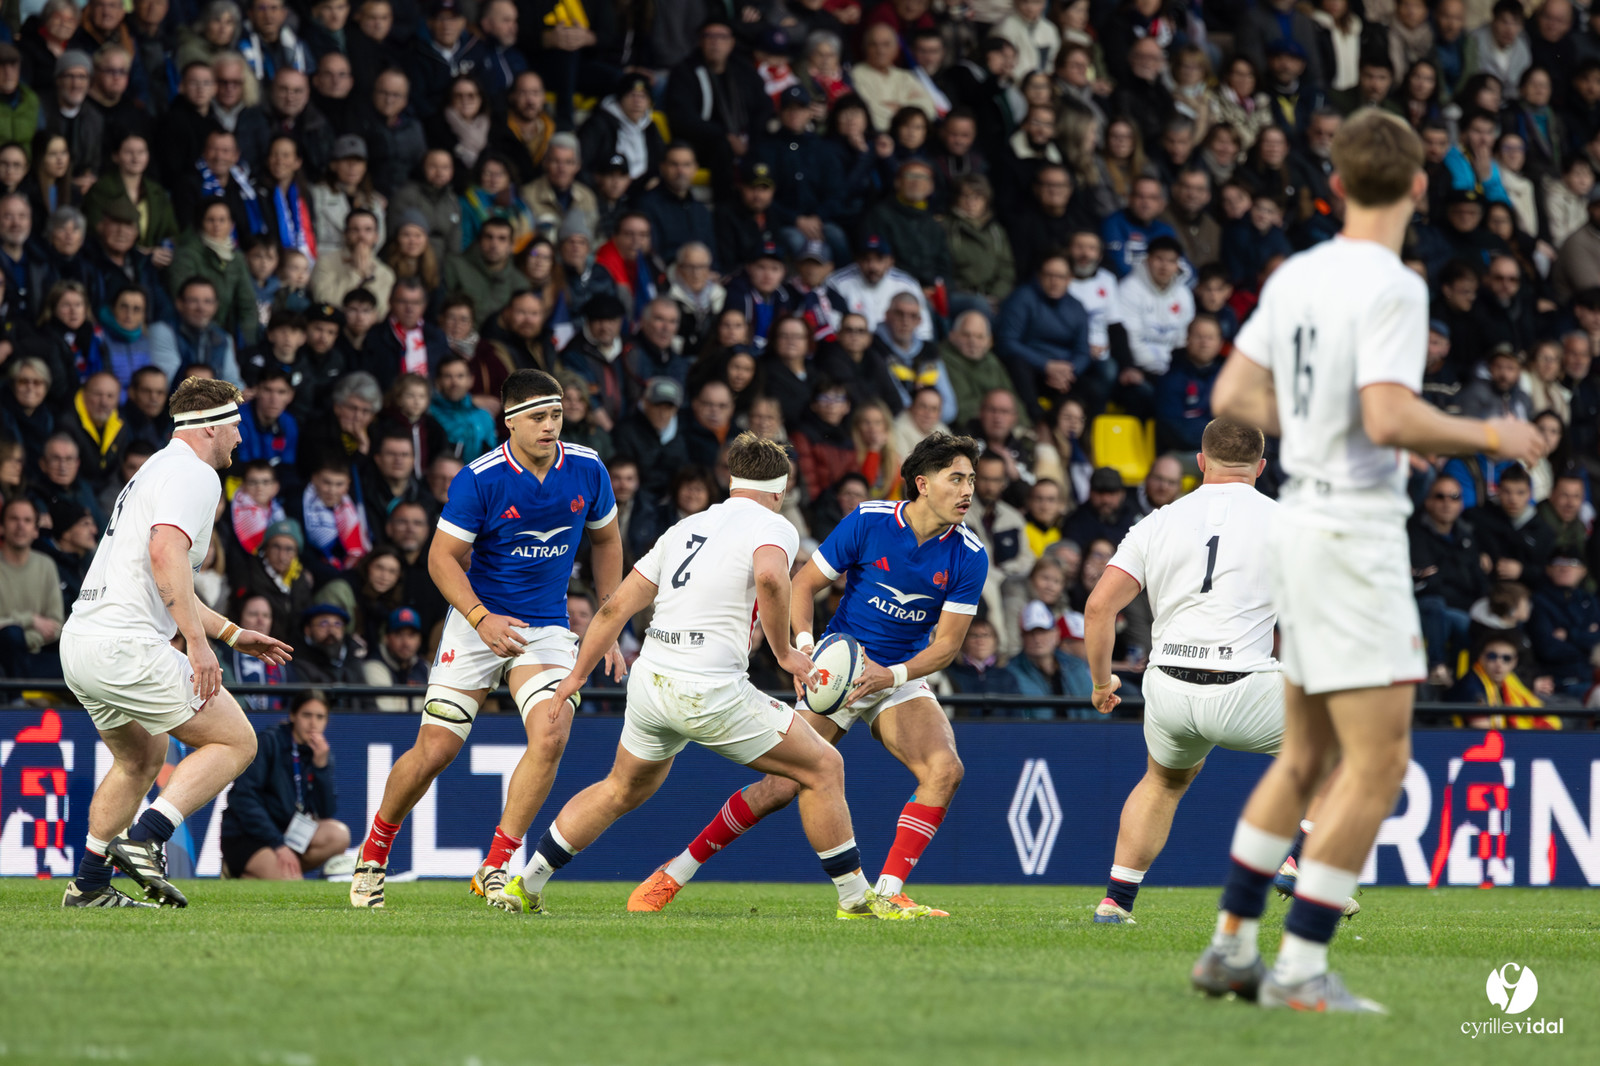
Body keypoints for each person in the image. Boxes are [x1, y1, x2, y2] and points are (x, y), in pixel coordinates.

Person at [1198, 111, 1546, 1011]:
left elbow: (1233, 394)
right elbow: (1389, 416)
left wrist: (1312, 421)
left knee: (1305, 756)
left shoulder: (1297, 274)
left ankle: (1232, 947)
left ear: (1338, 182)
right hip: (1354, 533)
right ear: (1422, 185)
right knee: (1379, 764)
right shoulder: (1392, 285)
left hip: (1302, 524)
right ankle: (1303, 972)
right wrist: (1489, 433)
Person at [489, 432, 919, 920]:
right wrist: (783, 652)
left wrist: (573, 678)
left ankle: (526, 883)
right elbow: (774, 578)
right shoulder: (772, 526)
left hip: (651, 683)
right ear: (780, 490)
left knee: (619, 788)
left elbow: (612, 611)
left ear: (732, 481)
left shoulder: (683, 528)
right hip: (709, 688)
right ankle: (855, 899)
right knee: (825, 767)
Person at [628, 434, 988, 918]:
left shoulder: (970, 554)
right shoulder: (869, 521)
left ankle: (885, 892)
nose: (968, 490)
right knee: (779, 787)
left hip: (896, 675)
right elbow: (804, 585)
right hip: (838, 670)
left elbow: (946, 647)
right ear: (922, 484)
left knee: (945, 770)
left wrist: (893, 674)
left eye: (971, 480)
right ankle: (675, 872)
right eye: (957, 478)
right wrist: (803, 648)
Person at [349, 369, 624, 909]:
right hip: (477, 624)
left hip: (544, 627)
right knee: (435, 750)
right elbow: (439, 558)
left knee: (552, 728)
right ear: (510, 422)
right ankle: (374, 854)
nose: (551, 426)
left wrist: (609, 623)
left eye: (557, 415)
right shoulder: (481, 477)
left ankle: (495, 867)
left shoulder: (588, 468)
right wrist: (480, 619)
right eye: (539, 417)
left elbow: (608, 541)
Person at [1086, 418, 1339, 923]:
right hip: (1244, 687)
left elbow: (1098, 609)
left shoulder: (1156, 521)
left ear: (1200, 462)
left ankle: (1115, 901)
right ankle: (1304, 864)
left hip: (1168, 690)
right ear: (1262, 468)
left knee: (1162, 781)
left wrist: (1101, 684)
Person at [57, 377, 293, 908]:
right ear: (209, 425)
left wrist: (231, 632)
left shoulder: (156, 470)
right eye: (234, 424)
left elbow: (167, 582)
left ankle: (91, 885)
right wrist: (197, 644)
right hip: (127, 647)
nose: (239, 436)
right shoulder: (195, 474)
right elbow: (167, 557)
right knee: (237, 741)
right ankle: (147, 839)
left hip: (83, 645)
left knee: (143, 755)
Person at [219, 690, 350, 879]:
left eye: (320, 717)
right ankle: (242, 870)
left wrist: (321, 768)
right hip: (248, 836)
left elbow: (326, 812)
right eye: (307, 715)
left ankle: (259, 874)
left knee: (339, 835)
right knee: (290, 882)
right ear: (293, 716)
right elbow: (243, 798)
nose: (313, 723)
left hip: (287, 833)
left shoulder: (318, 753)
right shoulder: (269, 741)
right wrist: (277, 844)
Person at [0, 496, 65, 679]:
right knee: (11, 635)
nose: (20, 526)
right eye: (14, 519)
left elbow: (56, 625)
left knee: (80, 671)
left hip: (34, 656)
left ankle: (20, 698)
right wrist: (30, 620)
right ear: (2, 527)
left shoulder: (46, 565)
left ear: (36, 531)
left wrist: (23, 641)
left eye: (27, 520)